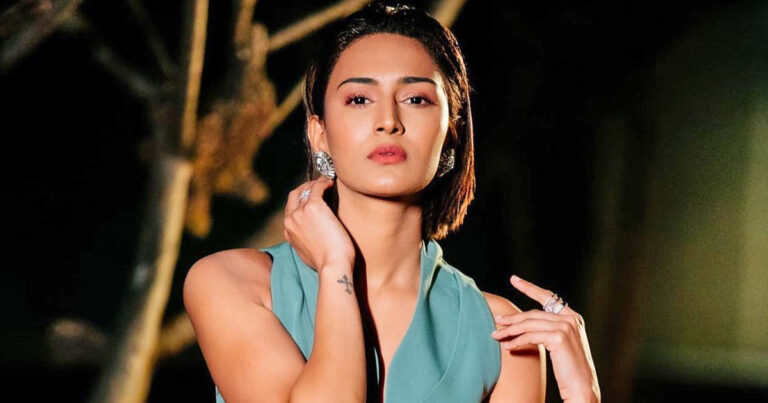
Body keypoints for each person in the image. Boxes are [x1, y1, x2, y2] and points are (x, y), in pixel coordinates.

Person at [183, 2, 601, 402]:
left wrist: (583, 396)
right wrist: (335, 266)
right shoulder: (231, 283)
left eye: (416, 99)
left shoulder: (502, 334)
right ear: (319, 135)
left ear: (450, 134)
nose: (388, 121)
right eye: (359, 99)